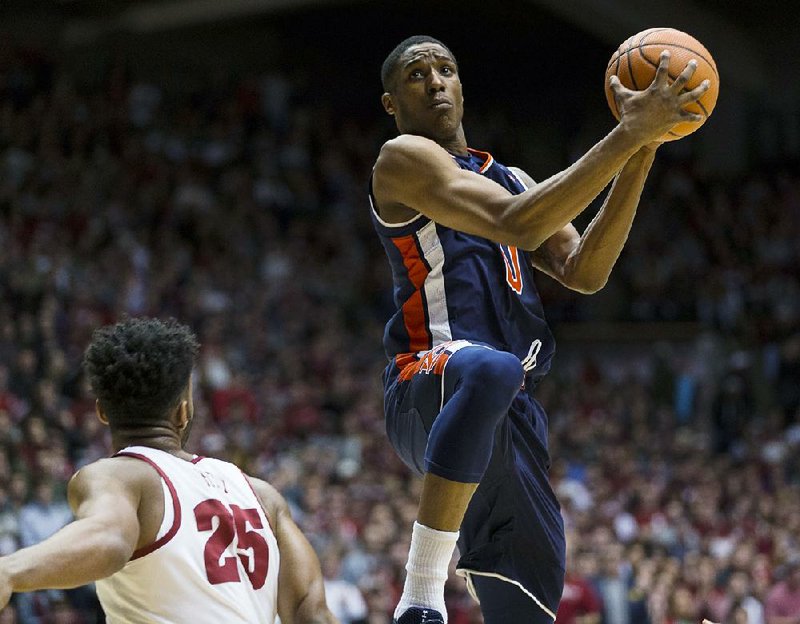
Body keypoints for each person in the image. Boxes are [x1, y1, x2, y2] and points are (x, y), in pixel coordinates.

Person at [369, 35, 709, 624]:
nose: (435, 81)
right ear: (391, 103)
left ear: (462, 85)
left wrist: (647, 146)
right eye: (416, 74)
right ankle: (420, 595)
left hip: (513, 414)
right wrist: (625, 133)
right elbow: (516, 224)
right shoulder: (401, 159)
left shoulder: (515, 176)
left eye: (446, 69)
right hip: (427, 385)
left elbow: (586, 271)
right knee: (492, 367)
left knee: (529, 609)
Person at [0, 317, 337, 624]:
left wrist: (9, 570)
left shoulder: (122, 476)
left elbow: (109, 537)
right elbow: (313, 612)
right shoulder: (262, 495)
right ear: (183, 410)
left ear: (102, 411)